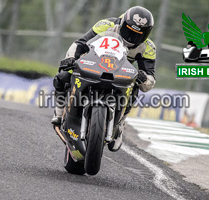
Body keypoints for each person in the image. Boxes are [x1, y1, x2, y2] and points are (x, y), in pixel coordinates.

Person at [51, 6, 156, 152]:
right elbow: (80, 43)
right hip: (94, 63)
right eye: (129, 31)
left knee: (135, 87)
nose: (132, 37)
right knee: (63, 75)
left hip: (120, 73)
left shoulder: (148, 47)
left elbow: (149, 80)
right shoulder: (106, 25)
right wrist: (70, 59)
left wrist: (144, 78)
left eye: (138, 34)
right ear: (122, 23)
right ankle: (58, 111)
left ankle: (119, 124)